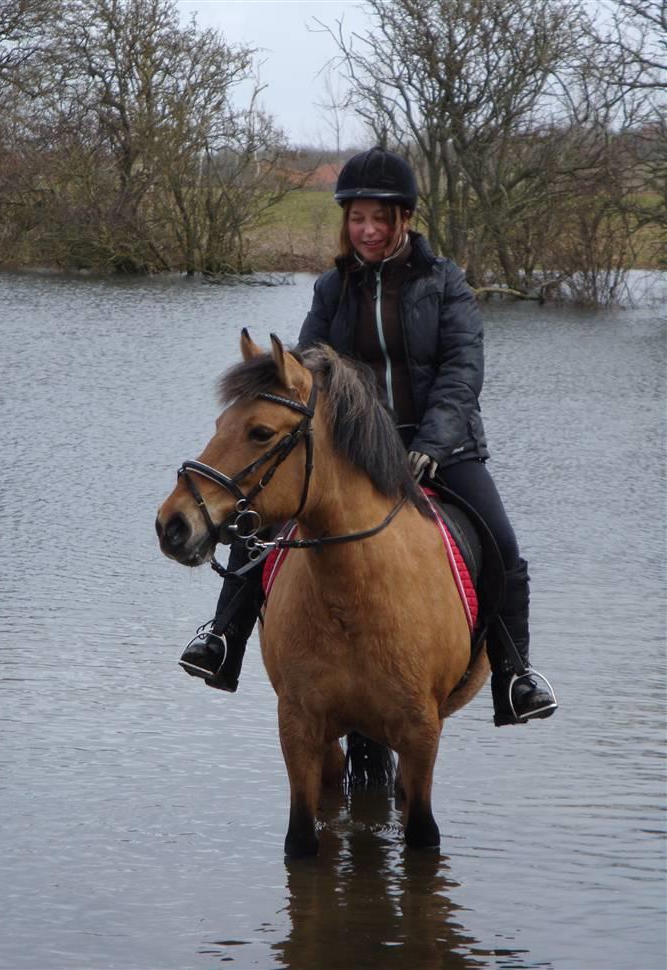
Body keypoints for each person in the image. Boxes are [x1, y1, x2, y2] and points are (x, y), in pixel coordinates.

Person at [179, 146, 558, 727]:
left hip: (442, 448)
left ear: (403, 219)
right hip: (352, 449)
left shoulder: (445, 283)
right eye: (358, 218)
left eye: (380, 218)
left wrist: (431, 444)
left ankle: (515, 674)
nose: (368, 230)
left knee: (502, 547)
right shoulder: (334, 288)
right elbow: (305, 368)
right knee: (259, 520)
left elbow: (462, 372)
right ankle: (222, 639)